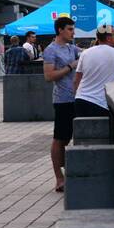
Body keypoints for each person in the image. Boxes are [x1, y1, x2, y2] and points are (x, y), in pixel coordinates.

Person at [42, 16, 81, 193]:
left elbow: (88, 53)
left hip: (78, 98)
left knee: (75, 136)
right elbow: (49, 76)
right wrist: (70, 67)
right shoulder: (51, 50)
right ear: (60, 30)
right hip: (62, 100)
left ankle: (72, 173)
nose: (73, 32)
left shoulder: (72, 48)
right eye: (70, 29)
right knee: (60, 138)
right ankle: (59, 177)